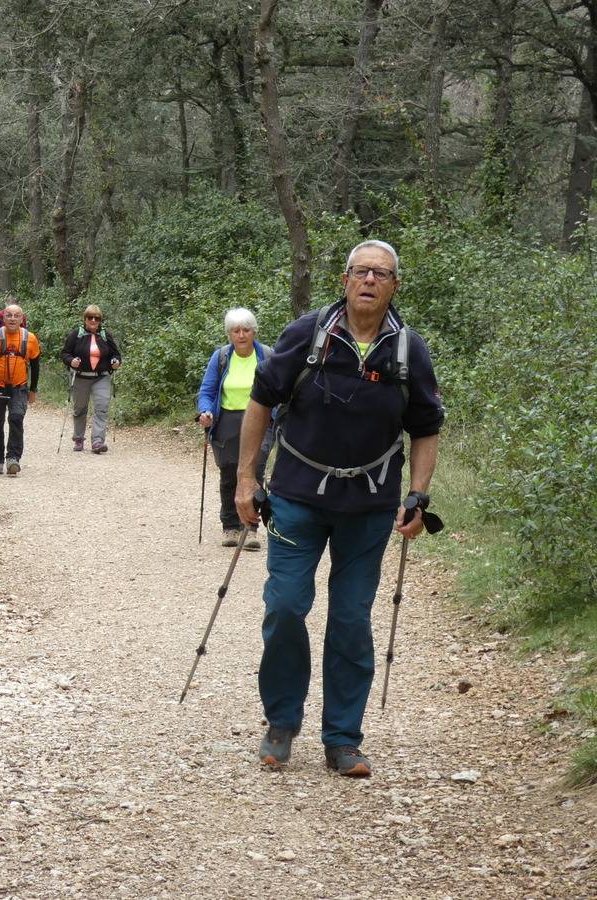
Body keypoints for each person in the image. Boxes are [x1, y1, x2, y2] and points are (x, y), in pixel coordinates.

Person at [235, 240, 443, 778]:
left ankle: (343, 739)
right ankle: (282, 722)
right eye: (361, 272)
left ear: (395, 285)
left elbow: (425, 428)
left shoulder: (408, 349)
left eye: (382, 274)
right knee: (285, 607)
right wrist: (245, 478)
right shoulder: (308, 334)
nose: (370, 281)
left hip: (370, 506)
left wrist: (418, 495)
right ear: (345, 279)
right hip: (297, 498)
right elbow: (261, 400)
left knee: (351, 620)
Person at [197, 308, 273, 550]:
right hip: (227, 419)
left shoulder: (268, 356)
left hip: (260, 419)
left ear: (254, 331)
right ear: (229, 334)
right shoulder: (220, 357)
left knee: (255, 470)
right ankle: (230, 525)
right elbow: (207, 391)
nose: (241, 335)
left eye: (246, 330)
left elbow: (280, 389)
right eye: (235, 331)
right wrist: (205, 411)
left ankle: (250, 529)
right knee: (230, 472)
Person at [0, 303, 41, 476]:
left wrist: (33, 390)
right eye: (9, 315)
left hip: (19, 387)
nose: (12, 319)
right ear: (3, 317)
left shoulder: (30, 339)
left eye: (16, 315)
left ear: (22, 318)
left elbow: (36, 366)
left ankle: (13, 458)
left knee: (16, 418)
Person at [61, 304, 121, 454]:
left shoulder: (105, 335)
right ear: (85, 319)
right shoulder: (76, 334)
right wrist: (71, 361)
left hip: (102, 377)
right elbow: (65, 353)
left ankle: (97, 441)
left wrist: (115, 362)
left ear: (100, 320)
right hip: (81, 376)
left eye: (97, 318)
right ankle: (79, 438)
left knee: (102, 407)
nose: (93, 320)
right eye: (90, 317)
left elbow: (116, 354)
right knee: (80, 408)